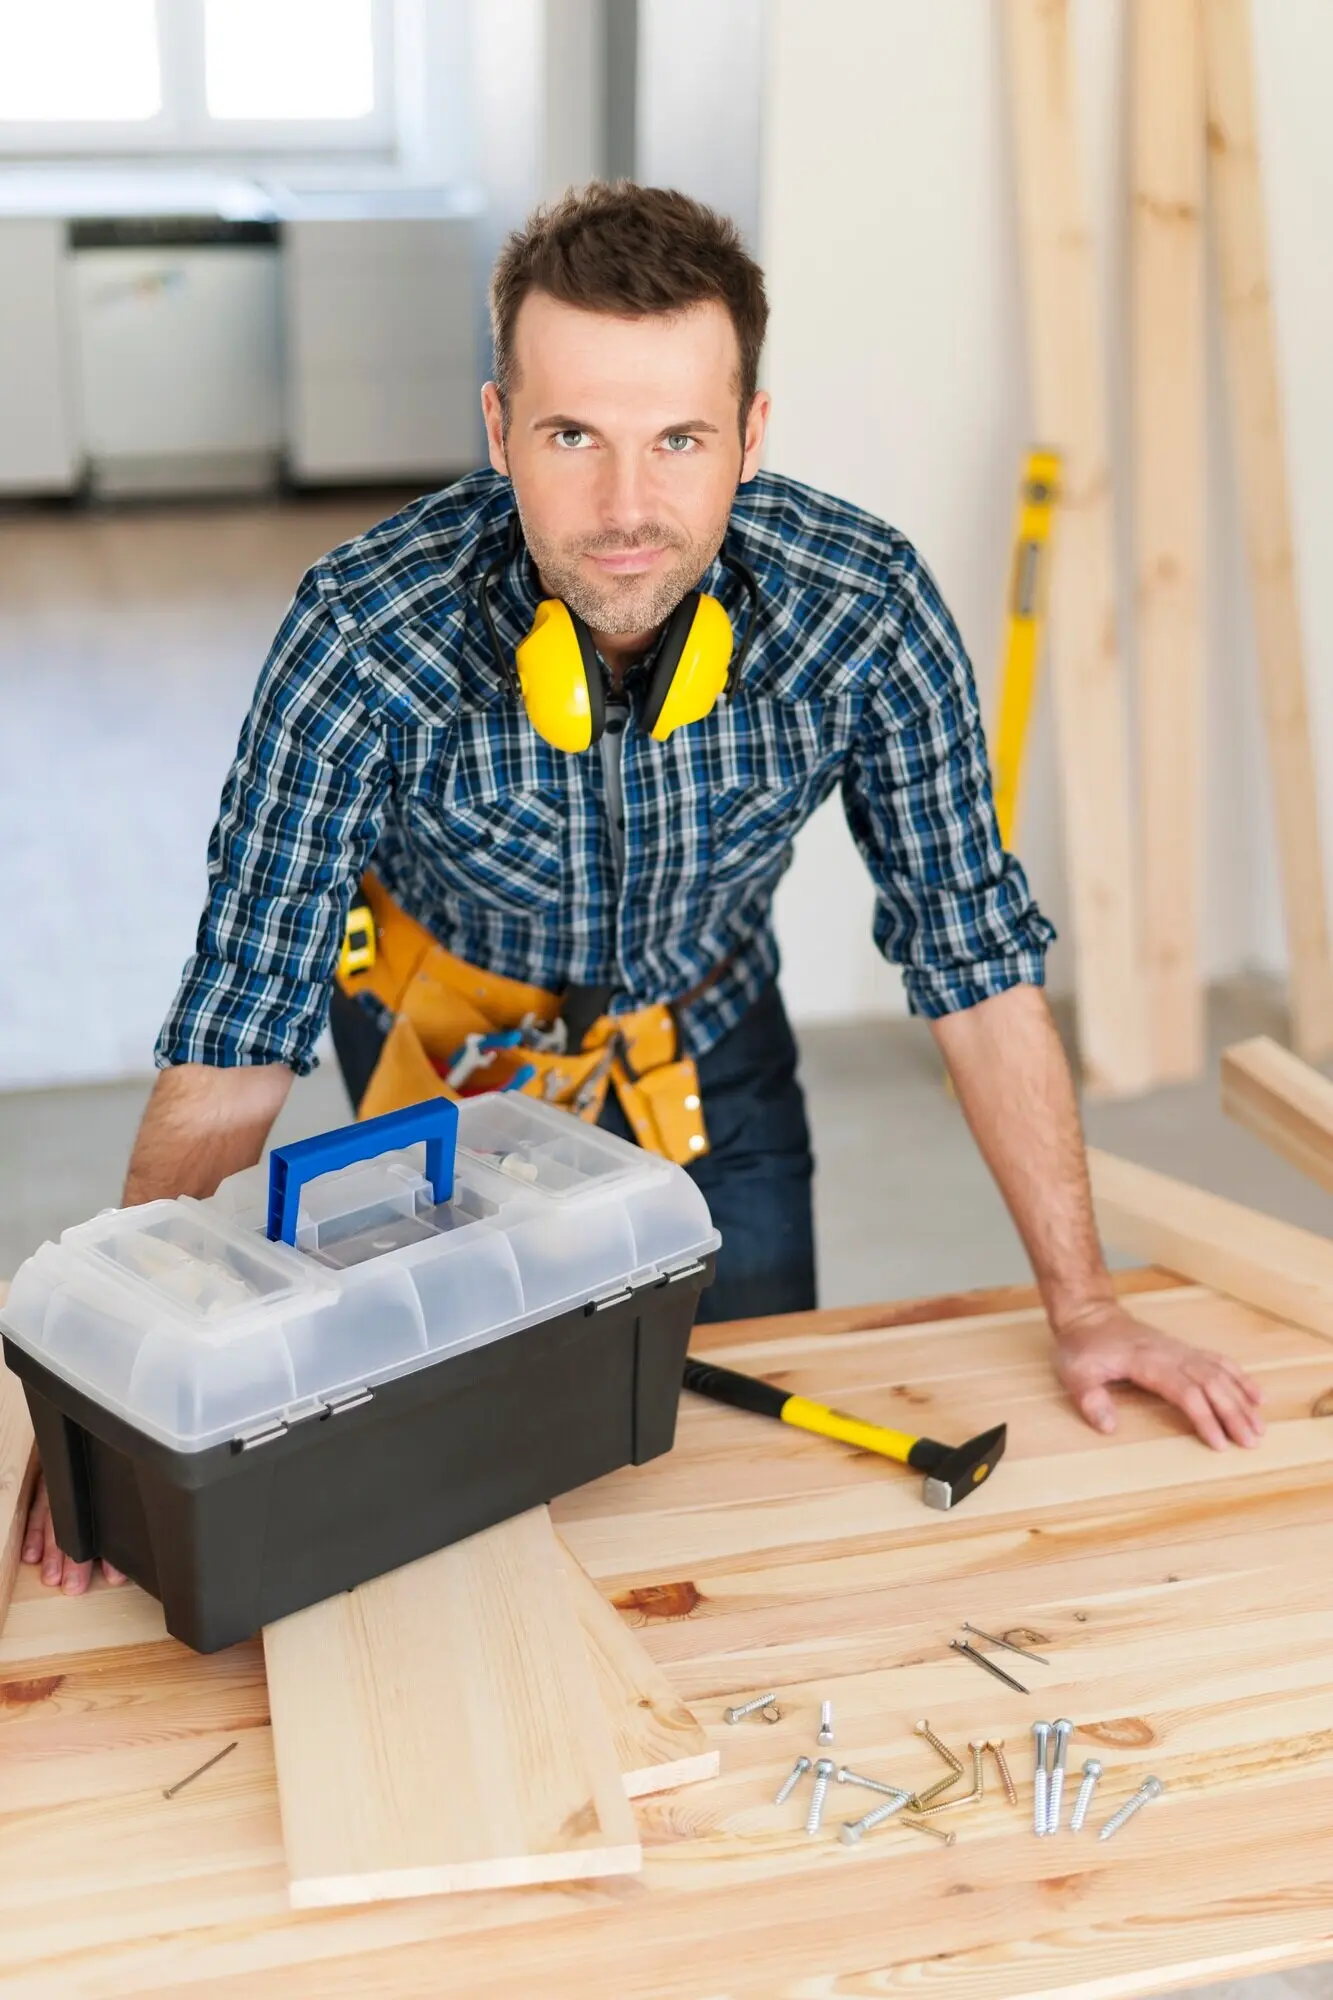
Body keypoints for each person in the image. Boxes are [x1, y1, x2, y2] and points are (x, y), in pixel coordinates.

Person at [23, 180, 1263, 1596]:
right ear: (498, 430)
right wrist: (111, 1420)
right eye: (573, 437)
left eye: (680, 440)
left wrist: (1088, 1307)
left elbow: (973, 965)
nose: (628, 509)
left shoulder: (859, 611)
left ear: (752, 434)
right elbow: (241, 1035)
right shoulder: (364, 637)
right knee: (455, 1466)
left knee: (728, 1452)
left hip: (707, 1045)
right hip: (446, 1052)